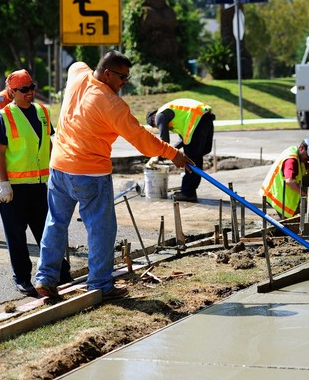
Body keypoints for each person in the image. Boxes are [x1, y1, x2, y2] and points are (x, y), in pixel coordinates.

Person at [35, 50, 193, 300]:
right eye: (122, 78)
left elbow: (76, 64)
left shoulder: (78, 76)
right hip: (90, 174)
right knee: (101, 229)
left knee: (56, 223)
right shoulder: (110, 103)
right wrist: (173, 153)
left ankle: (45, 278)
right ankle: (99, 285)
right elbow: (141, 140)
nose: (124, 83)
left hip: (60, 168)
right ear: (107, 74)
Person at [0, 69, 72, 296]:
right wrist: (3, 183)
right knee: (16, 235)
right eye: (23, 89)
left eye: (31, 88)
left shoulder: (42, 112)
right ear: (12, 91)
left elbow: (48, 143)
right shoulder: (3, 116)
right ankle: (23, 278)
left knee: (46, 231)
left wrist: (58, 170)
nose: (29, 93)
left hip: (39, 184)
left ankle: (60, 272)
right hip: (13, 188)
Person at [146, 98, 214, 203]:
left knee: (191, 158)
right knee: (196, 157)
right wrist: (171, 152)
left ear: (153, 121)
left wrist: (158, 155)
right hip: (205, 116)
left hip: (197, 121)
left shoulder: (159, 116)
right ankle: (190, 192)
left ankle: (187, 193)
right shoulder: (176, 115)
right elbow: (182, 141)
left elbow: (165, 141)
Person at [259, 137, 309, 219]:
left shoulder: (300, 155)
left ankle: (306, 206)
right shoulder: (291, 160)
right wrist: (306, 195)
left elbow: (307, 167)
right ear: (302, 148)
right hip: (277, 195)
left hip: (286, 190)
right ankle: (289, 215)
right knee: (291, 224)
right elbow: (289, 181)